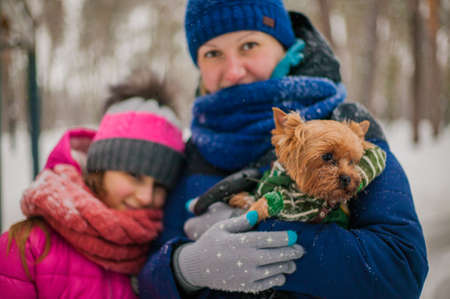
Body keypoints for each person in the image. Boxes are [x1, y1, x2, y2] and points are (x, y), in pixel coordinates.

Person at [138, 0, 429, 298]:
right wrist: (185, 267)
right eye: (213, 53)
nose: (234, 70)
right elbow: (143, 279)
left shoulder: (347, 128)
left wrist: (257, 236)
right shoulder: (193, 151)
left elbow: (401, 269)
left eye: (249, 45)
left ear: (284, 45)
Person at [0, 75, 185, 298]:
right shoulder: (27, 247)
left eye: (160, 185)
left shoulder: (161, 252)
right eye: (134, 175)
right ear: (101, 168)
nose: (146, 197)